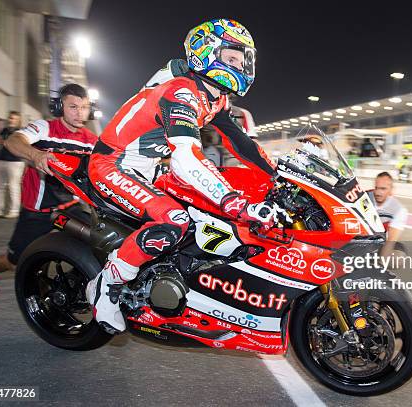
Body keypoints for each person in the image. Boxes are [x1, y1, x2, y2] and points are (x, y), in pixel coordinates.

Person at [85, 18, 288, 334]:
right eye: (233, 58)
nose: (242, 66)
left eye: (243, 60)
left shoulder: (215, 96)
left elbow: (242, 144)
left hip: (148, 169)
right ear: (207, 52)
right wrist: (234, 201)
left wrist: (278, 175)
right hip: (112, 166)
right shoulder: (181, 92)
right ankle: (106, 283)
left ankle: (173, 277)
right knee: (175, 220)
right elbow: (185, 157)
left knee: (207, 216)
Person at [0, 84, 97, 296]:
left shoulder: (90, 140)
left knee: (99, 240)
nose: (80, 113)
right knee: (14, 261)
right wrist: (35, 154)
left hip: (69, 207)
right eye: (73, 107)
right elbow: (13, 141)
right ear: (59, 107)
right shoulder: (44, 128)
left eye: (84, 107)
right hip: (38, 210)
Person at [0, 111, 25, 218]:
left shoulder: (22, 132)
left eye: (14, 118)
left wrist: (6, 142)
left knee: (13, 186)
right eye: (11, 118)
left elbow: (17, 144)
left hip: (15, 162)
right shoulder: (4, 130)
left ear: (18, 120)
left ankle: (14, 211)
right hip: (2, 160)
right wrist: (6, 142)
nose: (12, 120)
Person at [369, 172, 408, 257]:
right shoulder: (364, 197)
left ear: (391, 190)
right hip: (353, 237)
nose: (378, 193)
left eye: (383, 189)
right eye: (376, 188)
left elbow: (390, 241)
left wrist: (382, 265)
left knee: (398, 257)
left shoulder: (399, 210)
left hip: (374, 244)